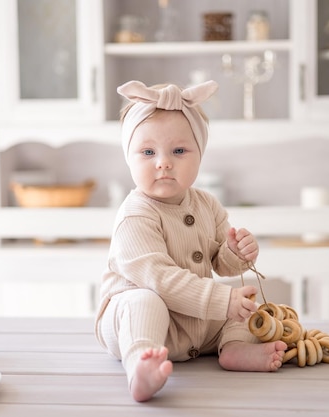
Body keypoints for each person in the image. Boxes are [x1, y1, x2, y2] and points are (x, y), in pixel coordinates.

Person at [94, 80, 287, 402]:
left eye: (179, 151)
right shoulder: (135, 215)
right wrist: (220, 301)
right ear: (128, 157)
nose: (164, 162)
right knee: (145, 301)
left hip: (193, 320)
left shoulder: (206, 204)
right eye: (147, 152)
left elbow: (219, 262)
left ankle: (235, 349)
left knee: (246, 311)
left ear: (200, 154)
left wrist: (236, 253)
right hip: (140, 320)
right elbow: (160, 279)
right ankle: (140, 365)